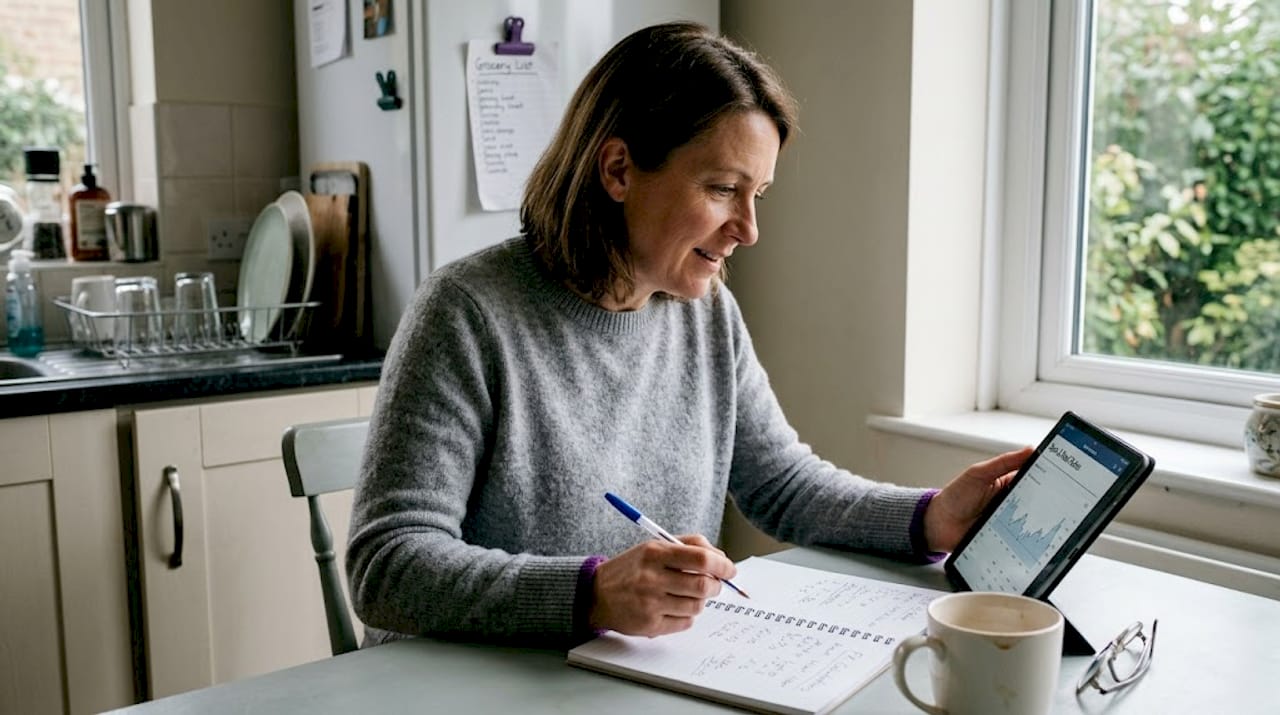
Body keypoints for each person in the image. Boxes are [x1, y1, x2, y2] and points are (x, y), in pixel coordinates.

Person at [346, 21, 1031, 648]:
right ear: (618, 170)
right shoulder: (467, 311)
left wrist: (931, 517)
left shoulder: (705, 313)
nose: (749, 229)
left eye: (756, 194)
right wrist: (589, 593)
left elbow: (785, 485)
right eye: (723, 189)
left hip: (623, 679)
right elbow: (387, 563)